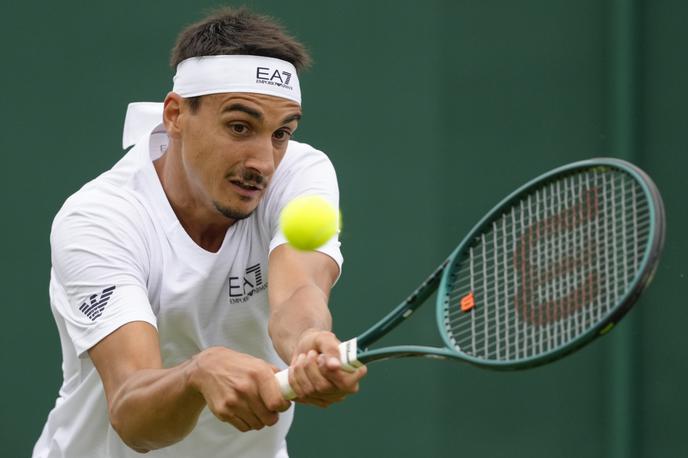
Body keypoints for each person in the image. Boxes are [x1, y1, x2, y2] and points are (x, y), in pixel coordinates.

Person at [33, 7, 366, 458]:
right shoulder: (98, 221)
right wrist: (196, 375)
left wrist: (308, 344)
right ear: (175, 115)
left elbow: (297, 293)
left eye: (281, 133)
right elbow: (134, 414)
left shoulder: (303, 174)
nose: (263, 163)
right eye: (239, 127)